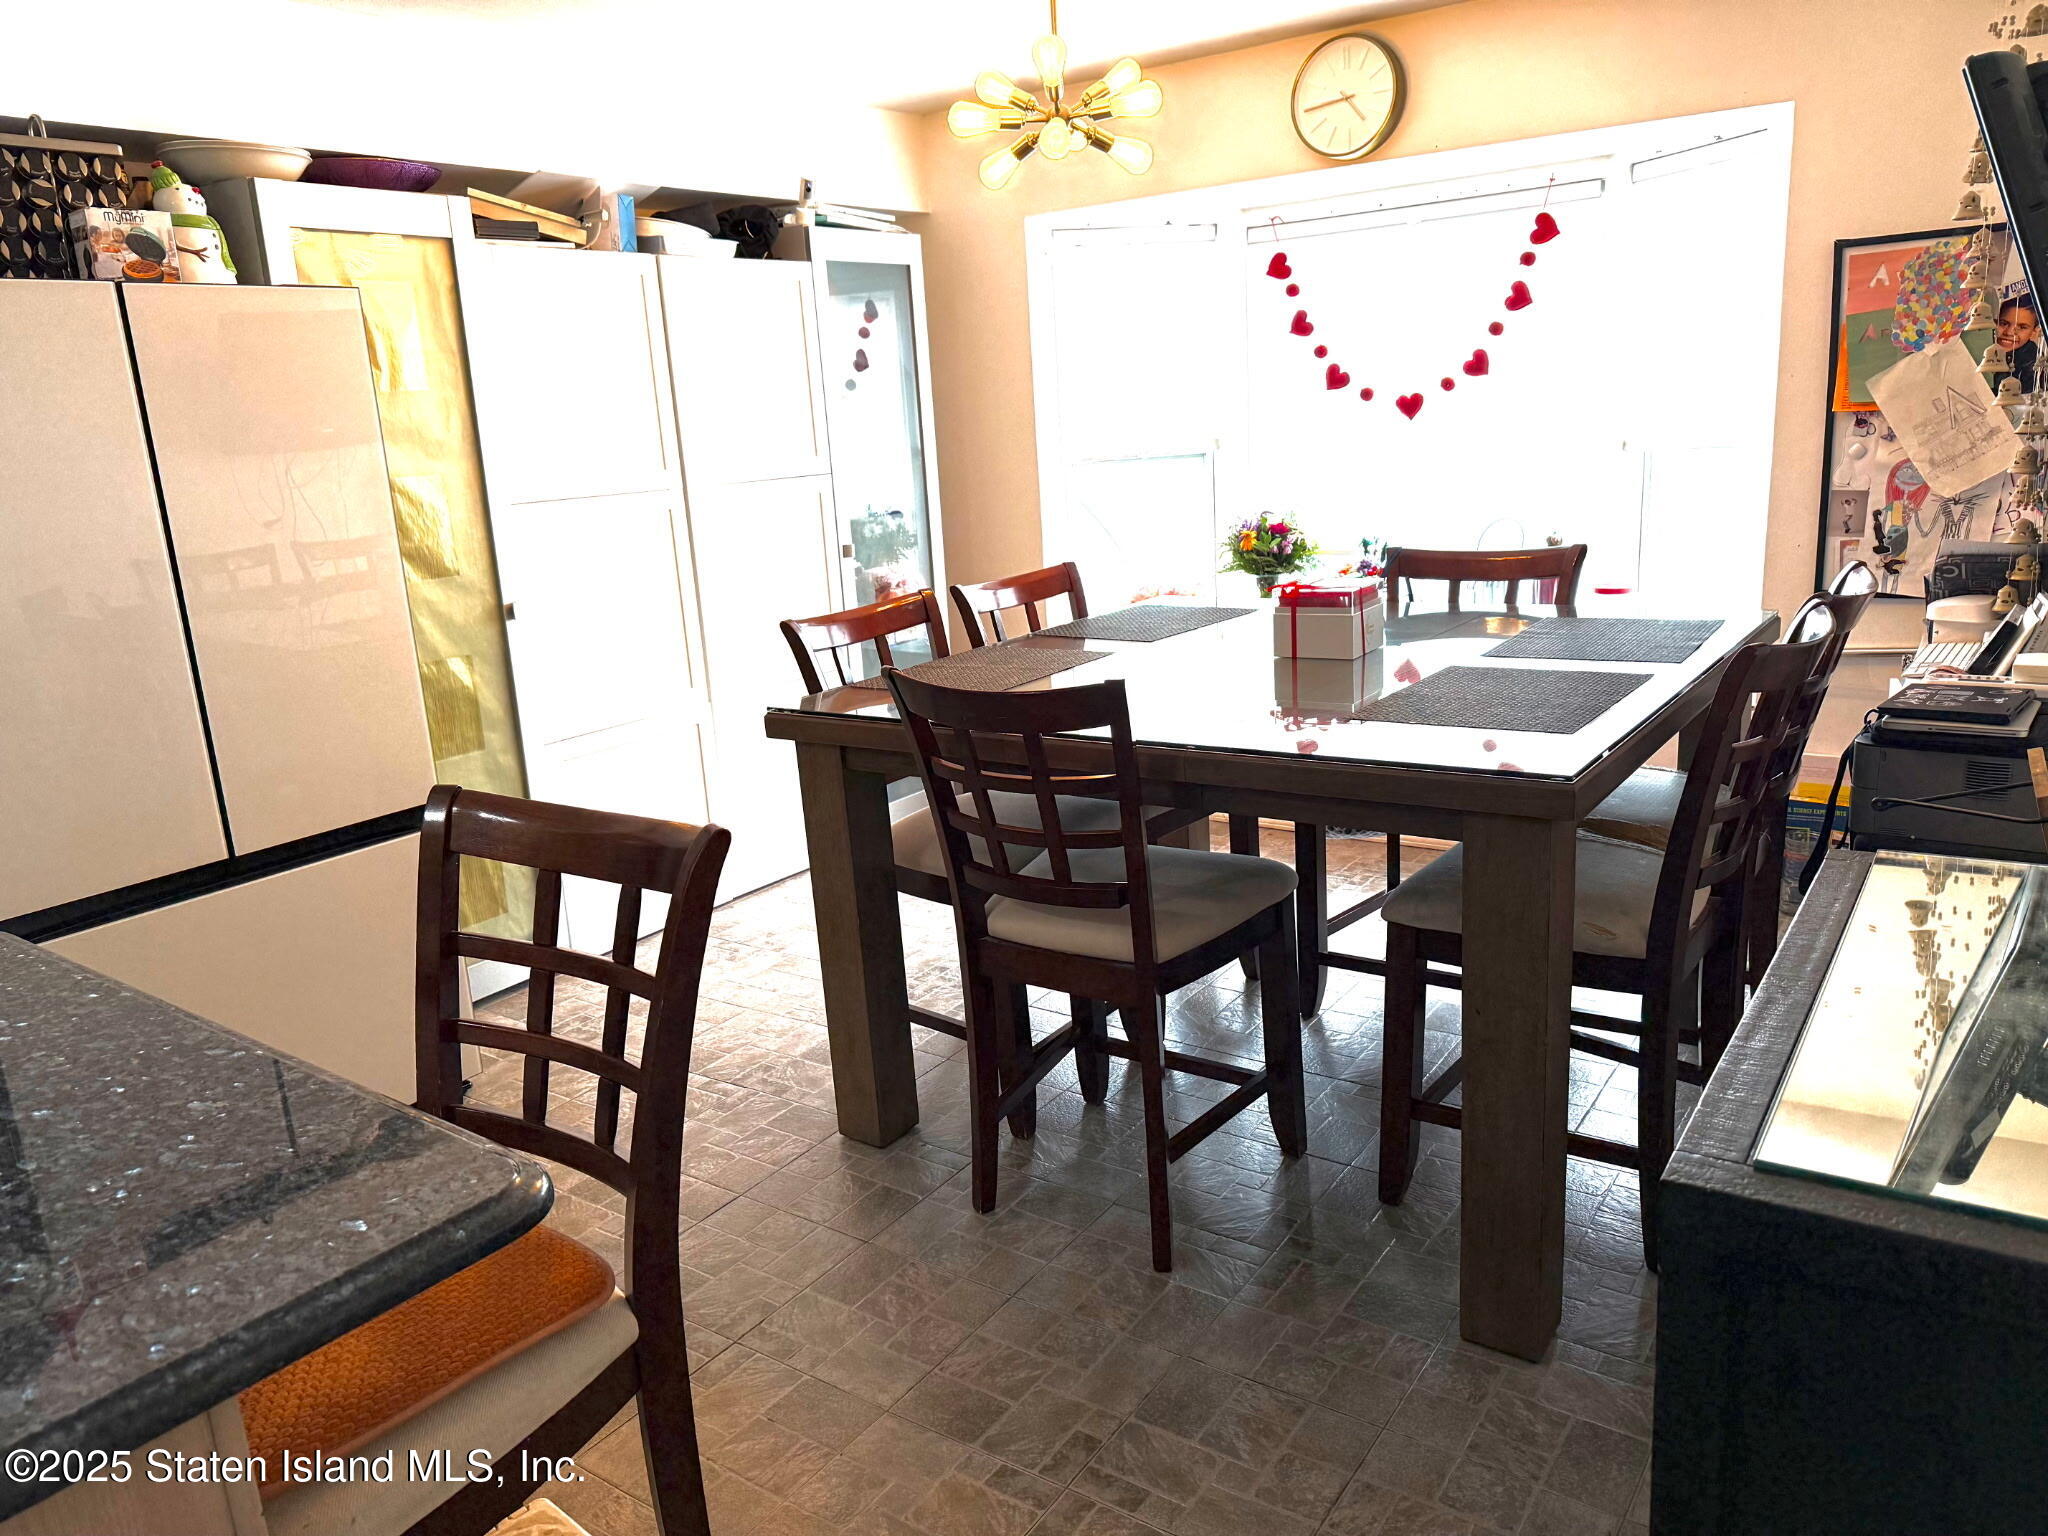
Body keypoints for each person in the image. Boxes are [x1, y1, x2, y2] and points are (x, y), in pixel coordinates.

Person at [1997, 293, 2040, 393]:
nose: (2009, 333)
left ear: (2034, 332)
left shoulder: (2034, 367)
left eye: (2022, 327)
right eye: (2003, 323)